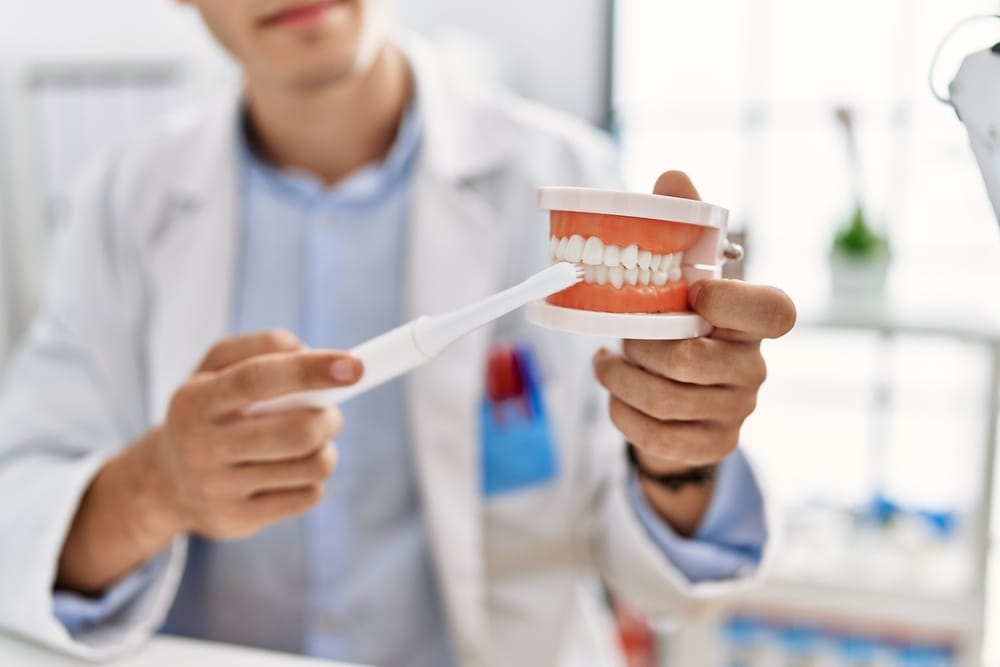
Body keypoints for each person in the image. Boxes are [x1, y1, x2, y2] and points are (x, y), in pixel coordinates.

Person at [0, 1, 796, 666]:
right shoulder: (120, 202)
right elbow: (17, 515)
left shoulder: (565, 179)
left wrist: (677, 454)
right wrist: (158, 486)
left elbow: (650, 573)